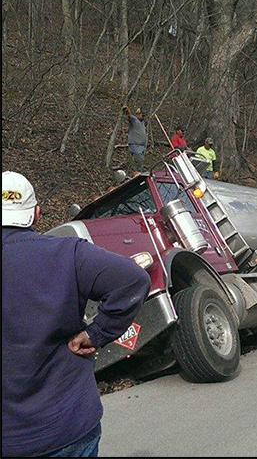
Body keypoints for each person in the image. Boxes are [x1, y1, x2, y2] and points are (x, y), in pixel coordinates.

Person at [2, 171, 150, 457]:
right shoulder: (68, 253)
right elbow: (133, 280)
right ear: (35, 214)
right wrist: (96, 333)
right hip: (66, 428)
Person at [122, 105, 147, 173]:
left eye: (144, 115)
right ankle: (137, 174)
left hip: (141, 146)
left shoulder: (142, 123)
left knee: (139, 163)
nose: (143, 117)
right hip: (135, 145)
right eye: (142, 115)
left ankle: (137, 173)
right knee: (139, 162)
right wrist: (126, 110)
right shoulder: (134, 120)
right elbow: (129, 115)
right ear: (138, 114)